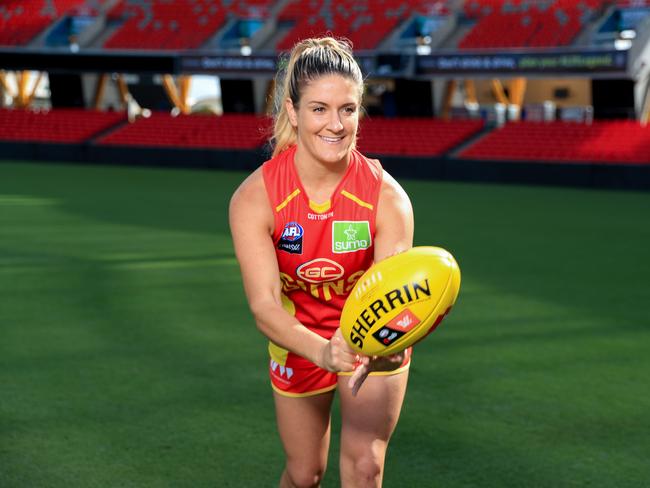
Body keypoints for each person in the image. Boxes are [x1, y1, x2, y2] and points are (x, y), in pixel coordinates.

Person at [229, 37, 414, 488]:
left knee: (366, 466)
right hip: (298, 339)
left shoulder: (388, 199)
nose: (336, 124)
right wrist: (323, 351)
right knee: (305, 473)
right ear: (292, 112)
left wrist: (395, 334)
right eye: (319, 109)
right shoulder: (254, 198)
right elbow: (265, 307)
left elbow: (394, 297)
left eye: (347, 109)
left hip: (369, 337)